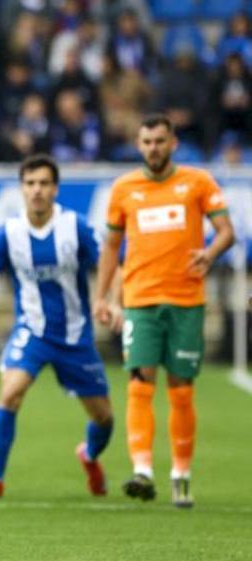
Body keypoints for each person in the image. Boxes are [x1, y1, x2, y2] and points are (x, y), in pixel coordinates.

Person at [94, 114, 236, 508]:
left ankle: (181, 475)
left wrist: (209, 253)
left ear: (173, 142)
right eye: (146, 142)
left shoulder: (198, 182)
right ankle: (142, 469)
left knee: (182, 391)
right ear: (138, 145)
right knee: (139, 383)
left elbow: (227, 231)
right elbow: (110, 247)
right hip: (140, 301)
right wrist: (102, 296)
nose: (153, 148)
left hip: (186, 301)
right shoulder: (124, 189)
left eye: (160, 140)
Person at [0, 154, 113, 500]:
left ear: (55, 188)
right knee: (10, 392)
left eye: (44, 183)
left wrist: (109, 300)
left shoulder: (76, 227)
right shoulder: (8, 233)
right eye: (30, 184)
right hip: (32, 332)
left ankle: (89, 456)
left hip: (76, 337)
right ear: (22, 189)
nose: (37, 191)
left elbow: (109, 264)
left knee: (104, 418)